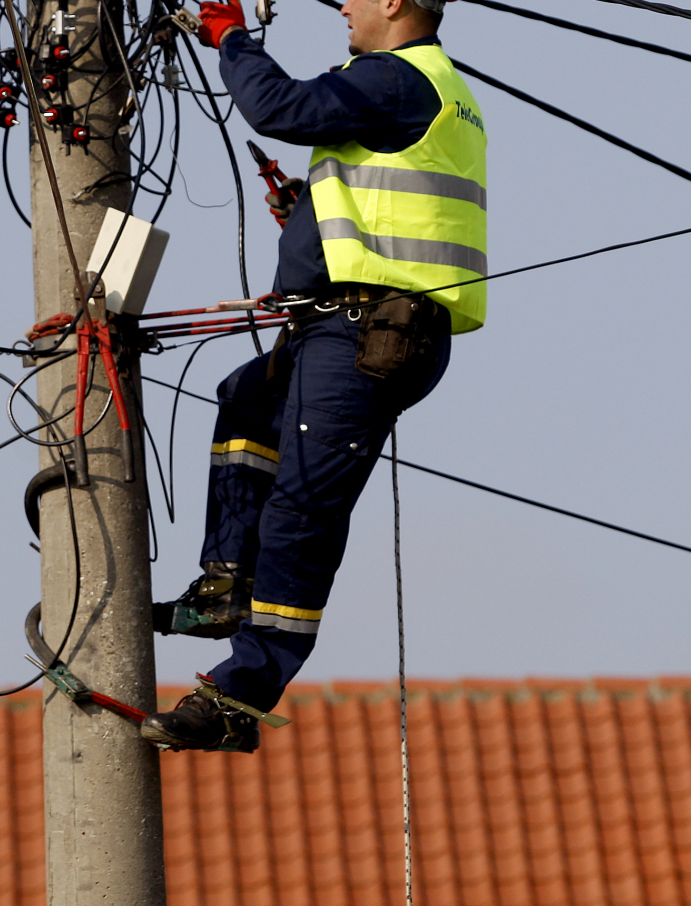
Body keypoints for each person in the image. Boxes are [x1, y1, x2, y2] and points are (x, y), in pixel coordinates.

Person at [140, 0, 488, 752]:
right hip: (350, 326)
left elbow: (280, 107)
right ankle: (227, 584)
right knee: (244, 400)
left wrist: (228, 34)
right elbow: (393, 207)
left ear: (394, 3)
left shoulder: (398, 78)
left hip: (369, 334)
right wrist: (308, 215)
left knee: (302, 515)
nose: (343, 7)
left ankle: (239, 698)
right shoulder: (428, 89)